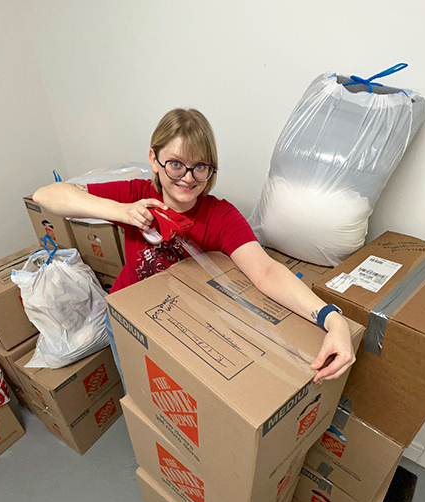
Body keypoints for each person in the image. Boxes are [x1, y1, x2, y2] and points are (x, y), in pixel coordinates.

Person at [33, 108, 355, 387]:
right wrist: (123, 212)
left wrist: (333, 321)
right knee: (138, 392)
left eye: (200, 166)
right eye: (175, 164)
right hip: (125, 317)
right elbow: (46, 195)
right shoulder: (137, 193)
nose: (187, 178)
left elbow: (267, 272)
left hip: (182, 331)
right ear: (154, 160)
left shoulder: (220, 216)